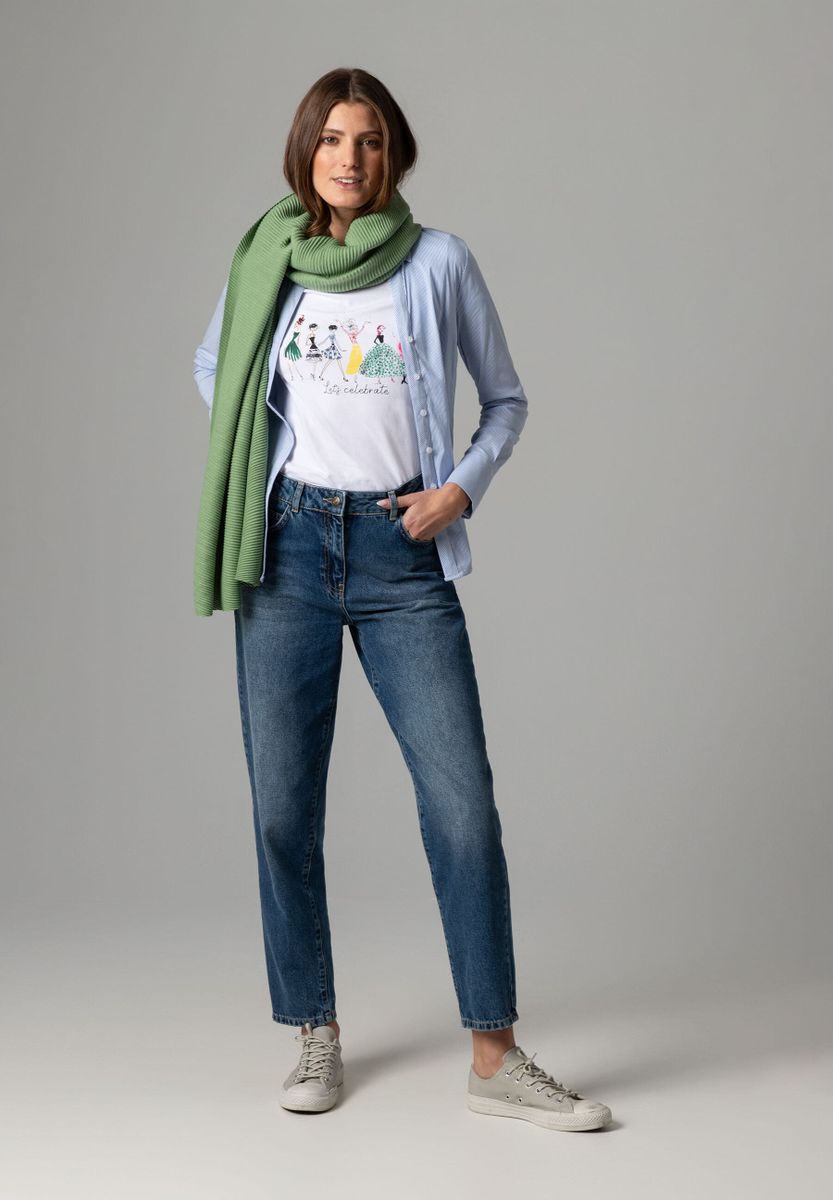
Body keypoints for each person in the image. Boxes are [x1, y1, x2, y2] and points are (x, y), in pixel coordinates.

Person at [192, 66, 612, 1133]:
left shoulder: (437, 262)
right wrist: (267, 457)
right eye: (333, 138)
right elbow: (213, 370)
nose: (350, 158)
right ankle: (313, 1029)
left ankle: (494, 1057)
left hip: (399, 558)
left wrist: (458, 489)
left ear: (393, 155)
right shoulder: (267, 257)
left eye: (369, 139)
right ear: (306, 151)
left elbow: (505, 400)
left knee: (461, 805)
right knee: (283, 809)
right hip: (286, 552)